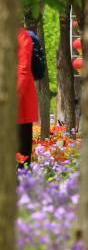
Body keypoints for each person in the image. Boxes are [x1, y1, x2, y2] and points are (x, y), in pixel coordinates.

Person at [15, 25, 44, 167]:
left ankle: (23, 186)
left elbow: (23, 70)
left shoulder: (20, 35)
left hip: (19, 103)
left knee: (21, 157)